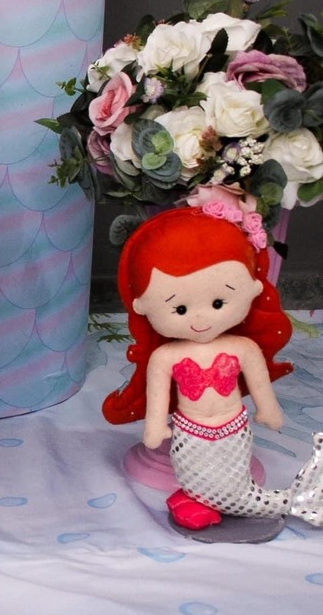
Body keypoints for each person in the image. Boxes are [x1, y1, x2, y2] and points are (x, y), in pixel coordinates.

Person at [103, 207, 323, 533]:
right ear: (142, 305)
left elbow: (260, 384)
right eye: (179, 308)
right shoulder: (165, 357)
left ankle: (293, 499)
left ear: (252, 289)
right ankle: (207, 500)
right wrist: (155, 426)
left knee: (234, 482)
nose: (200, 319)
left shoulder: (243, 348)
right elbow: (158, 396)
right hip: (189, 434)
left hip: (234, 432)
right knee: (195, 478)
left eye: (219, 303)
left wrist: (268, 410)